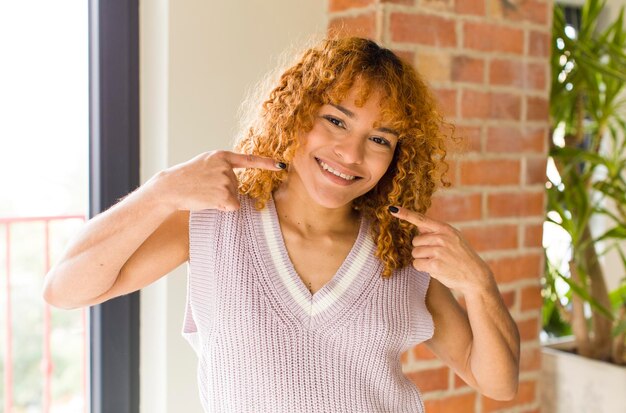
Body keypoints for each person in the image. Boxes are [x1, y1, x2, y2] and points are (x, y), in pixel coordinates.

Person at [43, 37, 520, 412]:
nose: (350, 155)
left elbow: (496, 382)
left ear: (397, 158)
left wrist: (479, 284)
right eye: (335, 121)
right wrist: (161, 191)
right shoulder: (215, 223)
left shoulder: (401, 252)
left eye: (379, 138)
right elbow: (65, 289)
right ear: (295, 114)